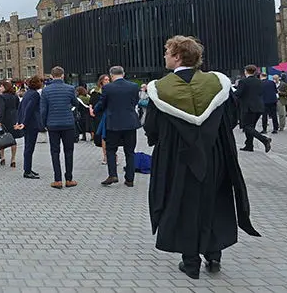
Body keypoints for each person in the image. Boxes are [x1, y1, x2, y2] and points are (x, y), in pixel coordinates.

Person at [144, 35, 260, 279]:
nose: (165, 56)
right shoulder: (217, 84)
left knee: (183, 204)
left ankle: (190, 262)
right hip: (213, 155)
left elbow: (151, 128)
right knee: (214, 200)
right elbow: (231, 119)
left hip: (177, 159)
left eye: (167, 52)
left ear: (177, 57)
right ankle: (214, 255)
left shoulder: (160, 89)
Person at [93, 66, 141, 187]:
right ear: (123, 74)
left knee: (110, 149)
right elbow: (135, 101)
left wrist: (95, 110)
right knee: (130, 151)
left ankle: (113, 175)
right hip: (130, 123)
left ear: (111, 75)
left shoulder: (108, 88)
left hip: (113, 123)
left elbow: (102, 103)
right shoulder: (134, 86)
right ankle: (130, 179)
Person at [40, 66, 79, 189]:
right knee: (69, 151)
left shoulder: (46, 90)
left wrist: (44, 124)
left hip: (52, 125)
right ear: (63, 75)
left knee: (55, 152)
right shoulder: (70, 88)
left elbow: (43, 110)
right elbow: (76, 103)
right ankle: (69, 179)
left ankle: (57, 180)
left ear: (51, 76)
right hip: (68, 124)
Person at [235, 65, 272, 152]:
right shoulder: (259, 81)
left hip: (248, 107)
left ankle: (264, 139)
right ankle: (249, 145)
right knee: (251, 127)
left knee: (246, 126)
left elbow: (238, 93)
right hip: (259, 106)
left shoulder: (243, 81)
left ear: (245, 71)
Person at [16, 75, 44, 179]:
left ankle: (28, 168)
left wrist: (20, 121)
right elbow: (29, 109)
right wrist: (24, 122)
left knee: (28, 147)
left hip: (27, 124)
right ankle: (27, 171)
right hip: (31, 124)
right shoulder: (35, 94)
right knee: (29, 148)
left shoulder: (27, 93)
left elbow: (20, 108)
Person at [0, 81, 22, 168]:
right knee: (12, 139)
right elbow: (19, 107)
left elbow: (1, 110)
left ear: (5, 87)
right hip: (14, 118)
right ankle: (13, 159)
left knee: (2, 138)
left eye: (1, 87)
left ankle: (2, 157)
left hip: (5, 119)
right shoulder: (15, 96)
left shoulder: (1, 97)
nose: (0, 88)